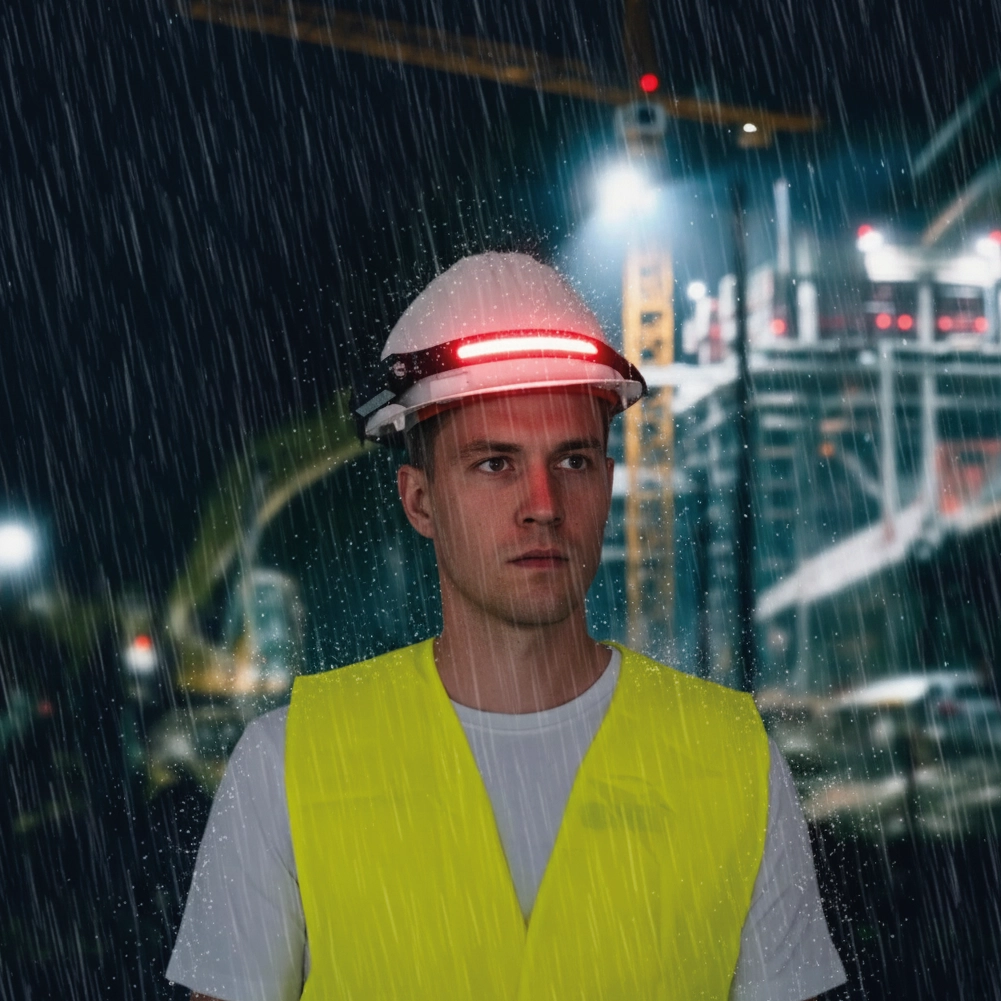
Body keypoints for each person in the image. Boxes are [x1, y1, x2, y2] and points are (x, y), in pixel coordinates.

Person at [167, 252, 847, 1001]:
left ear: (607, 481)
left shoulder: (736, 758)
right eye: (494, 463)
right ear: (419, 501)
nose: (543, 503)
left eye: (574, 460)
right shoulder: (285, 765)